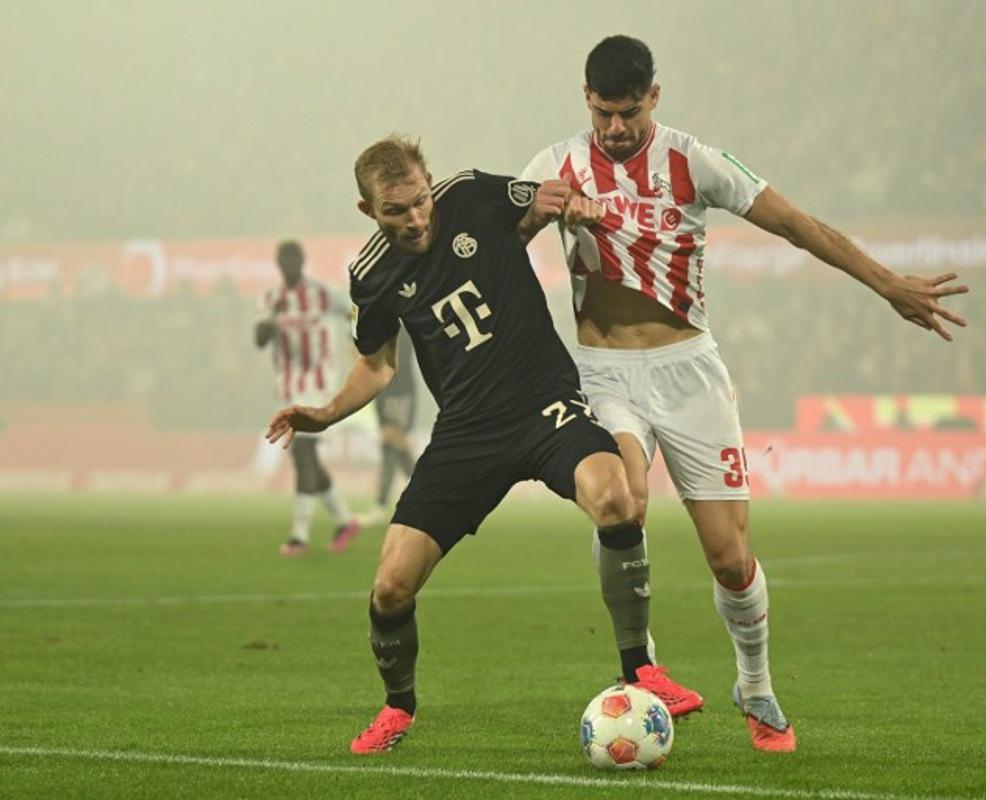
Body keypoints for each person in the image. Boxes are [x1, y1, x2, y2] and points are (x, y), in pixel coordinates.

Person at [521, 35, 970, 753]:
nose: (614, 129)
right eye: (603, 113)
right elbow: (500, 240)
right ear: (586, 100)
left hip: (689, 371)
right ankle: (641, 665)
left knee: (730, 558)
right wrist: (535, 214)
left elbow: (796, 224)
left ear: (654, 99)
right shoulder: (553, 166)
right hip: (605, 373)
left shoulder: (694, 160)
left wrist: (889, 284)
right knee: (621, 499)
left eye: (628, 113)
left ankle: (754, 684)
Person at [265, 135, 700, 754]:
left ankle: (641, 669)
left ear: (429, 184)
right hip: (467, 433)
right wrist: (327, 413)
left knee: (618, 499)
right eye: (397, 211)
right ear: (368, 211)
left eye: (419, 202)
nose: (415, 219)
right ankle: (398, 708)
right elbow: (378, 366)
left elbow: (539, 199)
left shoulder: (469, 194)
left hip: (544, 404)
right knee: (390, 587)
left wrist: (567, 203)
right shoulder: (372, 275)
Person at [255, 239, 362, 556]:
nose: (290, 265)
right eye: (284, 260)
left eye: (295, 259)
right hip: (288, 387)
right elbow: (260, 340)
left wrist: (356, 340)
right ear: (278, 264)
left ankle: (299, 535)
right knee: (307, 457)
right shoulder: (271, 298)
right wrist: (271, 317)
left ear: (302, 262)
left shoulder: (322, 293)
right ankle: (345, 520)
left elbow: (353, 312)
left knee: (303, 455)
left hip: (318, 385)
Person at [358, 331, 419, 525]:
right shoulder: (383, 326)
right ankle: (427, 489)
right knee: (391, 447)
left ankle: (381, 505)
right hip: (384, 389)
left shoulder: (404, 330)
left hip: (401, 391)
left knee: (393, 445)